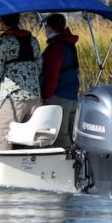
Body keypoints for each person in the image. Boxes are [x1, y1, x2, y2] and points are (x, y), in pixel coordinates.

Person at [0, 13, 42, 150]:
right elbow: (39, 66)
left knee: (6, 137)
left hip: (12, 99)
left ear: (2, 22)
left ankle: (3, 168)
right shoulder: (33, 41)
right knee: (30, 139)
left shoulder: (3, 42)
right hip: (34, 98)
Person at [40, 13, 80, 148]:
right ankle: (75, 162)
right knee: (71, 133)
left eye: (46, 27)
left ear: (50, 28)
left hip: (59, 96)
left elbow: (52, 75)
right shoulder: (68, 45)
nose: (45, 30)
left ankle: (66, 164)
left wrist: (46, 96)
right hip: (72, 96)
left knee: (59, 134)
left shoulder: (56, 48)